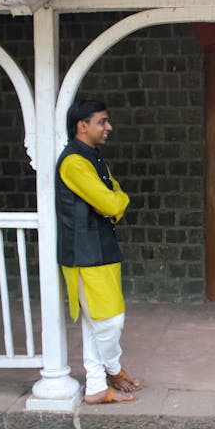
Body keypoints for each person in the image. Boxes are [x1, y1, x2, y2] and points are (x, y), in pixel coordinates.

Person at [56, 99, 142, 404]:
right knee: (108, 322)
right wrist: (112, 203)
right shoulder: (75, 163)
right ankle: (114, 371)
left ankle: (95, 386)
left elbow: (117, 198)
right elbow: (109, 202)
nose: (109, 127)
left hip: (101, 249)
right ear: (83, 126)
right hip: (84, 253)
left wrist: (113, 202)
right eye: (102, 122)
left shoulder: (94, 159)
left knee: (99, 322)